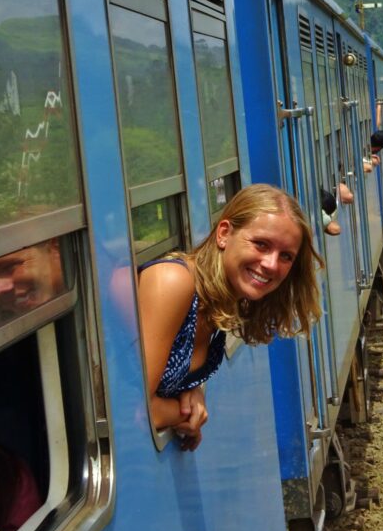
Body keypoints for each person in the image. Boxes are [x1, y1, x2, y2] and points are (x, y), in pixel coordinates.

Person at [137, 184, 323, 450]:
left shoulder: (219, 301)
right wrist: (185, 414)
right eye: (261, 244)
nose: (271, 264)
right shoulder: (173, 282)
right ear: (224, 234)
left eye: (286, 256)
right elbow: (136, 412)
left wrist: (193, 391)